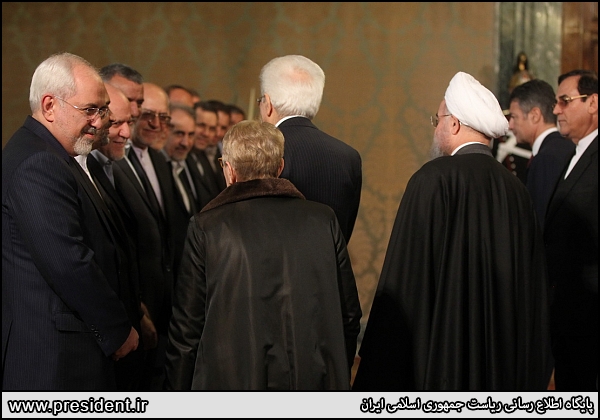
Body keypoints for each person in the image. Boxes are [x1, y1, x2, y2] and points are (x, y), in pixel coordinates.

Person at [352, 71, 552, 391]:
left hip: (440, 365)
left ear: (455, 124)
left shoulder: (432, 179)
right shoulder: (516, 189)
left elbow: (406, 280)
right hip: (502, 367)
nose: (436, 128)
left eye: (438, 120)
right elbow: (531, 287)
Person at [164, 120, 362, 390]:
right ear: (280, 168)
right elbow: (349, 314)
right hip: (313, 381)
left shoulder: (206, 227)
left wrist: (176, 394)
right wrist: (336, 371)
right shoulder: (323, 220)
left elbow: (187, 331)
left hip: (230, 386)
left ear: (229, 170)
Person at [2, 52, 138, 390]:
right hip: (51, 358)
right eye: (90, 109)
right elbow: (69, 262)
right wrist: (117, 329)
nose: (100, 122)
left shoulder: (52, 155)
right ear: (49, 106)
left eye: (103, 110)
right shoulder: (38, 162)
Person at [258, 54, 362, 244]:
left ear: (268, 103)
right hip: (328, 262)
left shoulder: (260, 150)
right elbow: (342, 233)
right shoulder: (349, 157)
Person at [114, 81, 176, 390]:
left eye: (163, 117)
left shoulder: (159, 160)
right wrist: (138, 307)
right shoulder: (113, 163)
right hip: (135, 311)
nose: (155, 123)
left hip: (165, 306)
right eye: (148, 114)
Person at [87, 83, 145, 390]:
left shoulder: (112, 168)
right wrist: (117, 328)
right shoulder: (80, 167)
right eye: (116, 123)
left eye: (129, 123)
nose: (125, 133)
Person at [545, 69, 598, 391]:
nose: (556, 109)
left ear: (593, 103)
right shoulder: (574, 153)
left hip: (590, 316)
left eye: (565, 101)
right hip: (568, 315)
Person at [508, 79, 575, 228]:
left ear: (535, 115)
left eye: (514, 117)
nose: (510, 125)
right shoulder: (564, 147)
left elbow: (539, 221)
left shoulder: (546, 158)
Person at [162, 104, 212, 275]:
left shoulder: (189, 161)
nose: (186, 143)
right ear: (165, 131)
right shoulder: (156, 168)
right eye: (179, 134)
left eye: (191, 135)